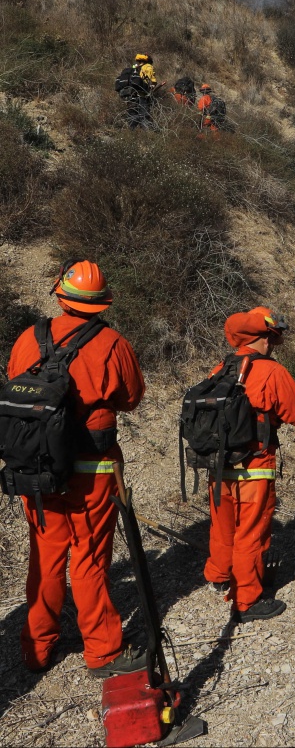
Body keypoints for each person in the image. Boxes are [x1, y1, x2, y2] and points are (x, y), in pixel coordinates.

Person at [8, 260, 146, 674]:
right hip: (92, 471)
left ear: (60, 294)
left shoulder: (28, 338)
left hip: (38, 468)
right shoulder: (113, 344)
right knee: (87, 559)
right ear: (102, 302)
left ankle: (36, 650)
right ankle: (103, 652)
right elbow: (131, 397)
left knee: (45, 559)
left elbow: (16, 385)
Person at [203, 307, 295, 622]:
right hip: (254, 466)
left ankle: (218, 575)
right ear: (264, 337)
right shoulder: (271, 371)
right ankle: (247, 599)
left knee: (224, 526)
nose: (273, 342)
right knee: (250, 533)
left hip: (218, 464)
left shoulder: (220, 369)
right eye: (271, 336)